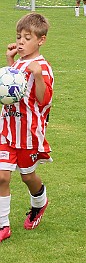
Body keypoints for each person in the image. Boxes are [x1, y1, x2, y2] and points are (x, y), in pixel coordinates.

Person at [0, 13, 54, 242]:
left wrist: (38, 76)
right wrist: (10, 61)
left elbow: (43, 100)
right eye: (19, 37)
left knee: (27, 176)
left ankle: (39, 204)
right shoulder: (19, 63)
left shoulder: (42, 67)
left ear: (40, 40)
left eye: (27, 38)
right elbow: (12, 91)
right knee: (2, 177)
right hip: (7, 128)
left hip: (29, 134)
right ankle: (3, 225)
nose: (21, 42)